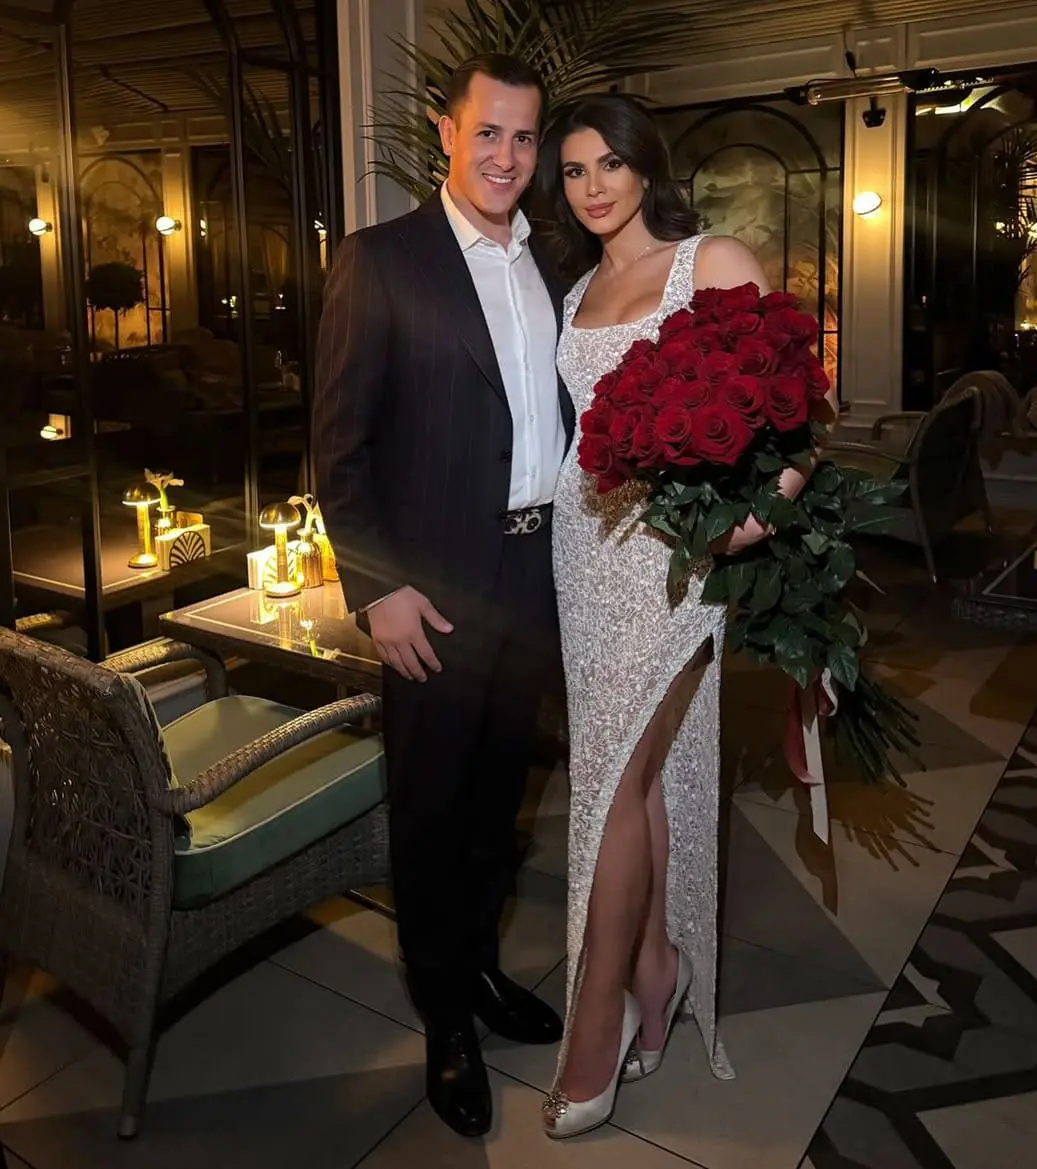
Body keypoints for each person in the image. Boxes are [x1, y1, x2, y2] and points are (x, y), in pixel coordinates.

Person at [533, 94, 839, 1139]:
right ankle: (656, 967)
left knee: (613, 781)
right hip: (585, 551)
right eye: (574, 171)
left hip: (674, 563)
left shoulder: (709, 262)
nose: (593, 186)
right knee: (638, 775)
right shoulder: (574, 292)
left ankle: (596, 1025)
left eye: (610, 163)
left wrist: (757, 517)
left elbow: (804, 413)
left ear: (646, 165)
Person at [311, 53, 575, 1139]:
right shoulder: (382, 260)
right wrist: (378, 590)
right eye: (489, 132)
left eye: (525, 137)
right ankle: (444, 1016)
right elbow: (339, 449)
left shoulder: (555, 261)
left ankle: (478, 966)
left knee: (501, 799)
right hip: (435, 591)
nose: (507, 156)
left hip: (537, 577)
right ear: (445, 133)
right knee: (430, 806)